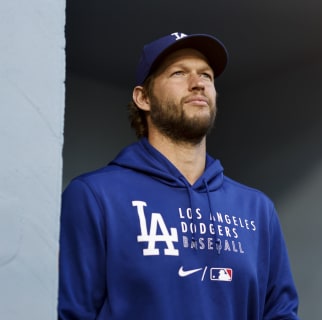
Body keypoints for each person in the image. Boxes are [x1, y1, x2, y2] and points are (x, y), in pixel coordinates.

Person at [58, 32, 300, 320]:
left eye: (207, 76)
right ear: (143, 97)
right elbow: (71, 314)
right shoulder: (94, 196)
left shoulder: (258, 209)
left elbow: (280, 314)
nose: (198, 83)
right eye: (178, 73)